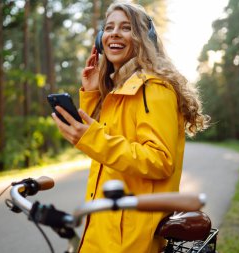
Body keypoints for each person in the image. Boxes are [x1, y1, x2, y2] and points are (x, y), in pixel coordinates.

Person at [51, 2, 209, 252]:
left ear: (144, 40)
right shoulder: (118, 91)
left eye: (126, 28)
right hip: (103, 226)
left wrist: (92, 137)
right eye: (109, 27)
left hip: (131, 234)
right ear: (100, 40)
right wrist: (92, 93)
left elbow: (159, 160)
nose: (114, 33)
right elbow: (105, 151)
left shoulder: (153, 89)